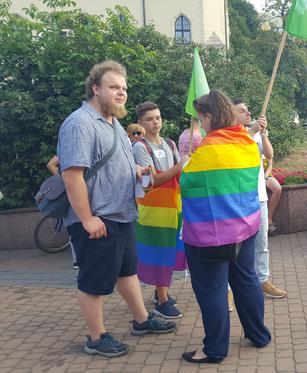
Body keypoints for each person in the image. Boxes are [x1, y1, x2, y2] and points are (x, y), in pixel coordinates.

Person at [58, 61, 176, 358]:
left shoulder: (113, 123)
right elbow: (72, 176)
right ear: (95, 89)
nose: (121, 93)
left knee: (127, 272)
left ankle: (141, 321)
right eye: (114, 87)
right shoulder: (80, 123)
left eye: (123, 88)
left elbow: (115, 163)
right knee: (94, 281)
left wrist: (137, 171)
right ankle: (96, 338)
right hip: (99, 219)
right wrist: (87, 219)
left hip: (121, 214)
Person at [181, 89, 271, 364]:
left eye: (201, 118)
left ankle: (215, 350)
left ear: (208, 117)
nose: (201, 123)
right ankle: (258, 335)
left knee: (212, 290)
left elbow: (188, 182)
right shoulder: (245, 141)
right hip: (246, 227)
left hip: (212, 235)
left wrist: (186, 162)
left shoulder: (210, 147)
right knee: (247, 281)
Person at [132, 101, 186, 319]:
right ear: (140, 123)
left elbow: (174, 175)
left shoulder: (170, 144)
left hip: (172, 206)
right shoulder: (139, 147)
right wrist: (178, 167)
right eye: (150, 119)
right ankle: (162, 301)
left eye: (158, 117)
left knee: (169, 248)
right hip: (153, 209)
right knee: (159, 250)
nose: (156, 122)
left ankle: (160, 292)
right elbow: (150, 180)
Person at [233, 99, 287, 299]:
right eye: (242, 111)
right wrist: (254, 130)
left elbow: (270, 154)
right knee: (235, 244)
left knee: (261, 241)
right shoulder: (232, 134)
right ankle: (229, 289)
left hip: (259, 196)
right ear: (232, 115)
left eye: (248, 110)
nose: (248, 113)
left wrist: (263, 135)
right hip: (238, 197)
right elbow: (235, 147)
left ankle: (263, 280)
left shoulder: (255, 134)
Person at [46, 155, 79, 269]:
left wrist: (63, 182)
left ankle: (76, 260)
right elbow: (51, 164)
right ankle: (77, 260)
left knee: (74, 225)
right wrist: (64, 182)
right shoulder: (71, 146)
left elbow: (51, 164)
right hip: (75, 192)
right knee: (76, 224)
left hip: (71, 191)